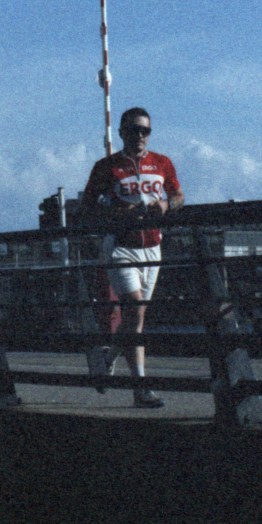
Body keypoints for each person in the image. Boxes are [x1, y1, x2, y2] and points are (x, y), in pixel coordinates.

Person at [81, 107, 184, 408]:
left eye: (145, 130)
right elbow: (87, 207)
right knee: (136, 312)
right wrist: (117, 213)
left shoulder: (162, 162)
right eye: (134, 130)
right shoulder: (107, 167)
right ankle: (141, 389)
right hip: (120, 246)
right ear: (122, 132)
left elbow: (179, 196)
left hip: (153, 247)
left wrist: (166, 204)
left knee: (133, 317)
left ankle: (108, 355)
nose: (139, 136)